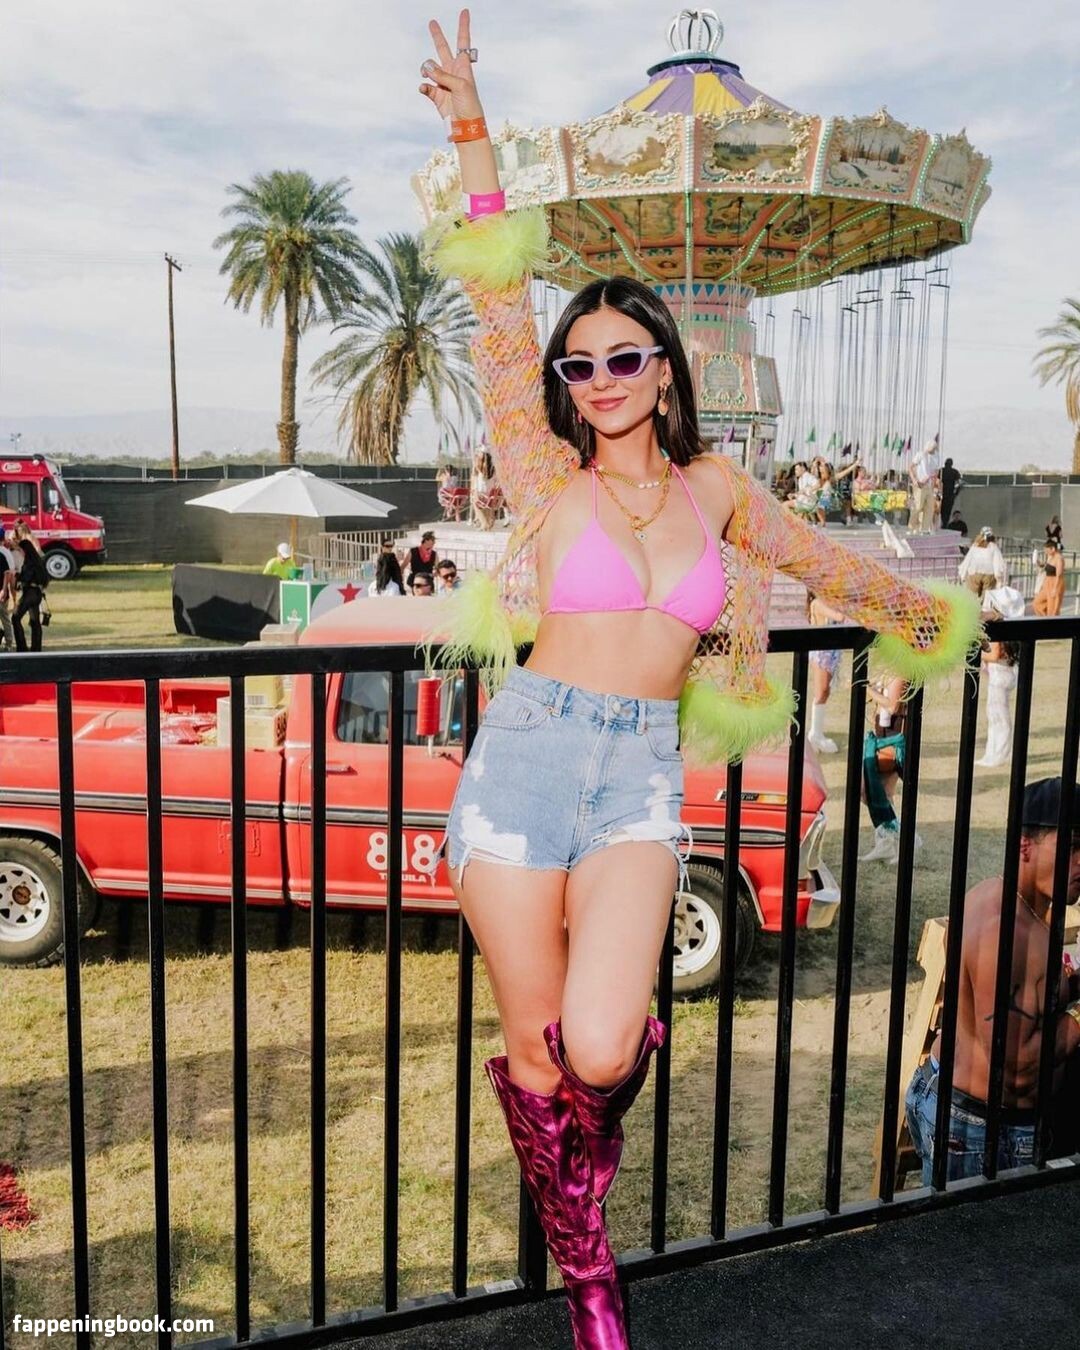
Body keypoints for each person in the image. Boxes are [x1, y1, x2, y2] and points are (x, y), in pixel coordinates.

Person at [417, 15, 978, 1344]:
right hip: (523, 764)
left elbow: (828, 564)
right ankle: (590, 1281)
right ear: (564, 384)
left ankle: (577, 1179)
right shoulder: (542, 473)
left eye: (625, 356)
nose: (601, 378)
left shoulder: (718, 491)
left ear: (664, 366)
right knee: (538, 1042)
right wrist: (472, 130)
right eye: (580, 363)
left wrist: (937, 619)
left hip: (635, 781)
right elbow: (498, 301)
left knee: (603, 1046)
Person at [905, 778, 1080, 1183]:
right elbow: (1017, 1070)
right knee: (973, 1228)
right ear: (1024, 846)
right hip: (979, 1131)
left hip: (963, 1110)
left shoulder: (1000, 898)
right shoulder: (1006, 932)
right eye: (1071, 847)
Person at [860, 674, 915, 863]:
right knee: (877, 793)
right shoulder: (888, 669)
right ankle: (887, 842)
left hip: (892, 738)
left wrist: (867, 689)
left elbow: (892, 706)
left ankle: (906, 840)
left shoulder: (900, 671)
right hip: (883, 734)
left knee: (870, 791)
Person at [807, 594, 846, 754]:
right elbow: (839, 616)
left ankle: (817, 732)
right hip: (822, 654)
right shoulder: (817, 603)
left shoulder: (831, 602)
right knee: (821, 691)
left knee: (825, 692)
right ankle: (815, 734)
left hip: (831, 652)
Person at [975, 636, 1020, 768]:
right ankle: (992, 753)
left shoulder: (997, 636)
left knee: (999, 718)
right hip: (1001, 675)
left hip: (1000, 677)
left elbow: (994, 654)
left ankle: (999, 755)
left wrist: (977, 654)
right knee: (995, 717)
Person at [11, 522, 47, 652]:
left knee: (15, 618)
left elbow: (25, 578)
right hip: (37, 593)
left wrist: (17, 576)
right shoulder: (37, 561)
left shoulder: (28, 563)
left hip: (29, 593)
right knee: (35, 621)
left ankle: (22, 647)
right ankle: (36, 648)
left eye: (20, 550)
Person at [958, 526, 1006, 600]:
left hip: (974, 573)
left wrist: (963, 574)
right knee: (987, 597)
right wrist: (998, 577)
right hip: (989, 574)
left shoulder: (975, 546)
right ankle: (984, 605)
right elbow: (997, 562)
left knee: (972, 596)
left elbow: (968, 559)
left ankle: (974, 606)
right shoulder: (993, 547)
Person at [908, 435, 940, 534]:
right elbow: (911, 467)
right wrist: (914, 480)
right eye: (933, 448)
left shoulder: (936, 456)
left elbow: (936, 471)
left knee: (929, 508)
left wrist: (934, 485)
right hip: (920, 484)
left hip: (929, 485)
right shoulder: (920, 454)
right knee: (917, 507)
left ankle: (924, 529)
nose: (934, 450)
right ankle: (911, 527)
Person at [1033, 539, 1065, 616]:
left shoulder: (1059, 558)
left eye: (1047, 550)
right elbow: (1046, 566)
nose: (1045, 552)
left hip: (1055, 583)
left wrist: (1055, 588)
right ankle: (1044, 618)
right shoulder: (1050, 557)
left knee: (1052, 609)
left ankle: (1051, 620)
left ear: (1053, 549)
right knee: (1037, 603)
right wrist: (1038, 563)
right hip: (1047, 583)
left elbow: (1059, 575)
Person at [0, 534, 17, 650]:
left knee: (4, 616)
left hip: (0, 591)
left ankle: (9, 642)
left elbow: (7, 573)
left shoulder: (1, 555)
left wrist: (4, 589)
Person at [940, 456, 961, 525]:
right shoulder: (955, 472)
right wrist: (956, 493)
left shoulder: (941, 471)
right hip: (950, 495)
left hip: (942, 494)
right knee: (947, 510)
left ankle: (943, 523)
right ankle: (945, 523)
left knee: (942, 510)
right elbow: (958, 484)